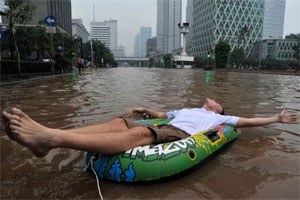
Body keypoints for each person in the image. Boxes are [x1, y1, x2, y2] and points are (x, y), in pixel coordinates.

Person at [2, 98, 298, 158]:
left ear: (219, 109)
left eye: (218, 101)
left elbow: (249, 121)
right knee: (120, 122)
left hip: (180, 136)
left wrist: (276, 119)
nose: (213, 99)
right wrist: (145, 109)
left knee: (142, 134)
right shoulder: (188, 108)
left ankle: (51, 140)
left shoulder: (219, 120)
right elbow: (161, 114)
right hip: (169, 123)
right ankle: (50, 134)